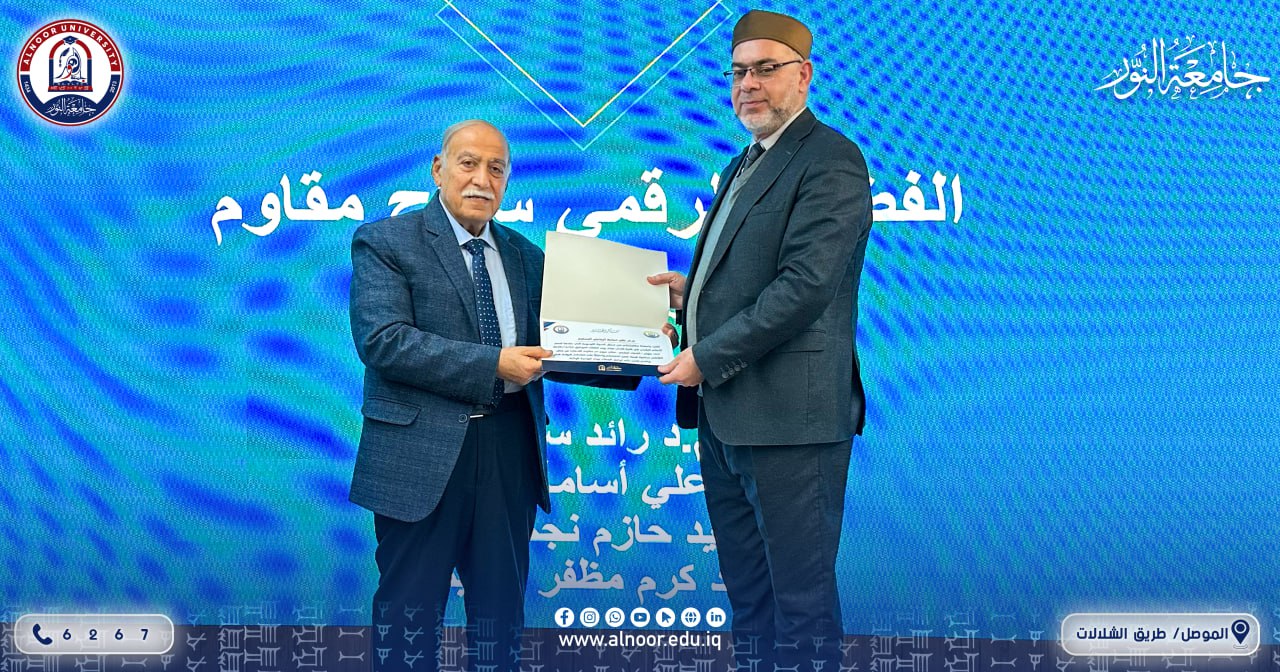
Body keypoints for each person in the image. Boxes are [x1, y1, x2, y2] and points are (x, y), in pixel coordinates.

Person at [348, 119, 633, 672]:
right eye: (469, 163)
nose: (482, 178)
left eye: (496, 168)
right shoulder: (385, 242)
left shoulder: (527, 256)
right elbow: (384, 341)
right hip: (420, 458)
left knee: (500, 622)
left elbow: (564, 345)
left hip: (508, 452)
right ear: (439, 169)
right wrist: (493, 364)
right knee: (408, 619)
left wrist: (639, 348)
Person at [648, 10, 872, 671]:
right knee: (750, 602)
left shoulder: (831, 159)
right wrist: (693, 295)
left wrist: (706, 356)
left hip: (790, 425)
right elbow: (751, 278)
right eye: (739, 72)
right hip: (727, 420)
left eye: (766, 69)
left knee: (801, 607)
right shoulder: (740, 164)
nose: (748, 84)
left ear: (803, 76)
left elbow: (804, 288)